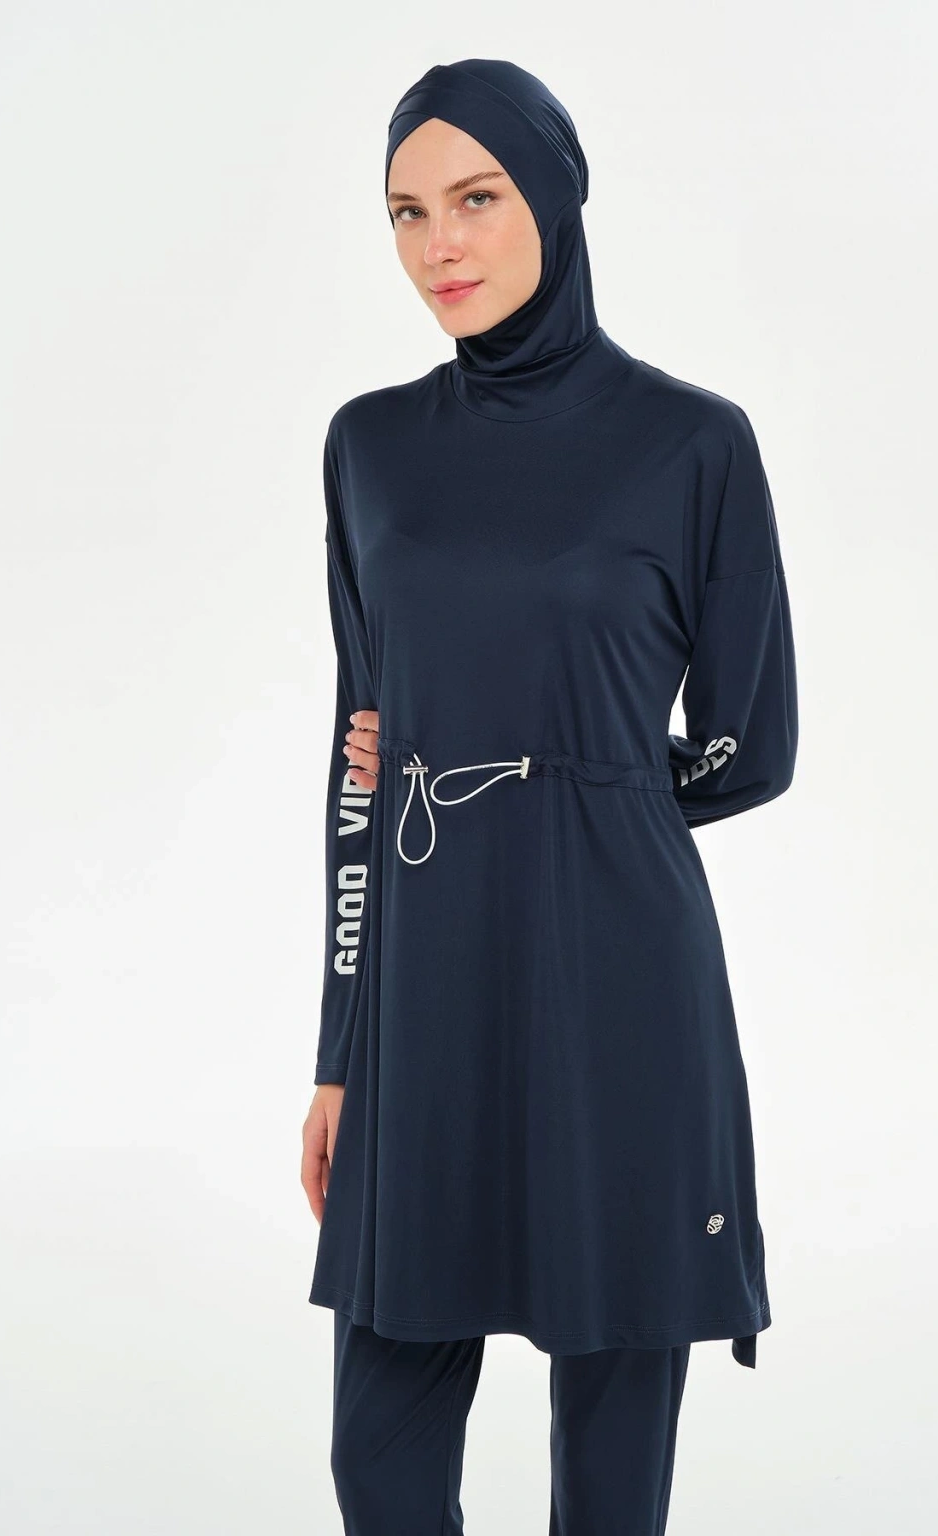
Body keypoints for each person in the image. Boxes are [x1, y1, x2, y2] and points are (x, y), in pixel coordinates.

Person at [300, 57, 798, 1535]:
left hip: (618, 986)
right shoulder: (370, 447)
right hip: (421, 991)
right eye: (406, 212)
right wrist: (339, 1048)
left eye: (476, 198)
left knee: (611, 1471)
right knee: (379, 1452)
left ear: (557, 200)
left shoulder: (691, 443)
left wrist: (576, 801)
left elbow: (755, 745)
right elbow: (361, 758)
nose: (438, 245)